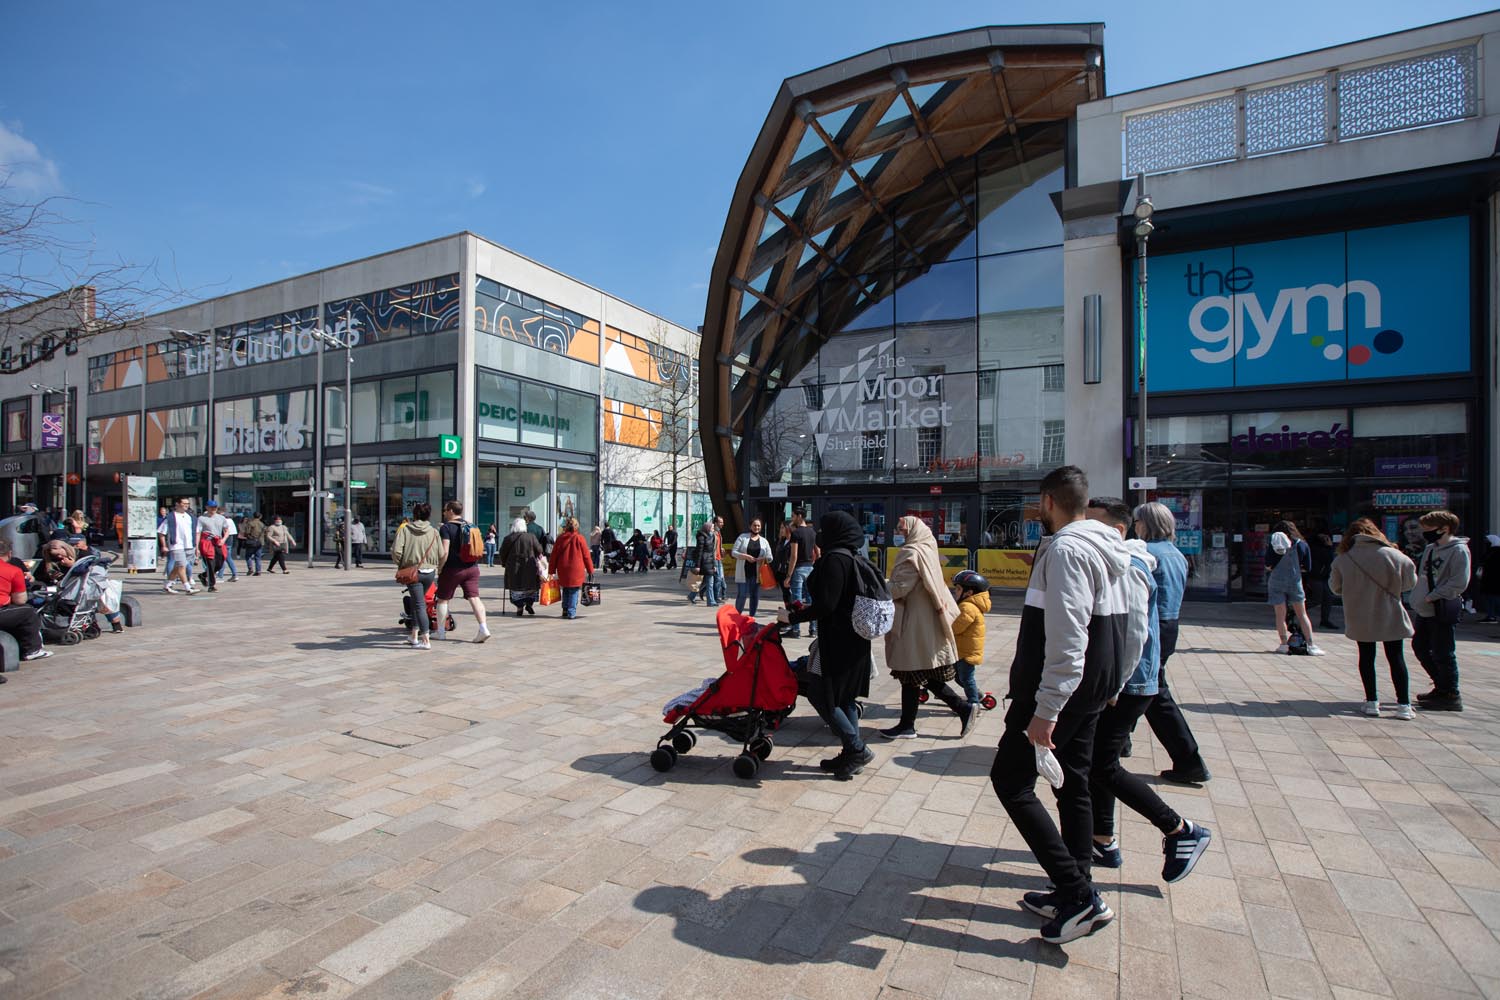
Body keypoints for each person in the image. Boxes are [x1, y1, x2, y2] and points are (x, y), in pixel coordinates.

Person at [990, 465, 1134, 945]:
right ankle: (1075, 885)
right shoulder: (1109, 546)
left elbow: (1068, 638)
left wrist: (1046, 708)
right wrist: (1115, 681)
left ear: (1049, 501)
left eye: (1039, 503)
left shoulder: (1068, 550)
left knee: (1011, 782)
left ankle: (1078, 895)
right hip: (1091, 687)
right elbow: (1133, 624)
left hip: (1059, 691)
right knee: (1073, 782)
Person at [1083, 498, 1214, 883]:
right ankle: (1103, 840)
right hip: (1137, 669)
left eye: (1095, 523)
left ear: (1122, 529)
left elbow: (1135, 630)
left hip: (1129, 678)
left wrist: (1116, 683)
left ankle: (1179, 829)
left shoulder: (1132, 564)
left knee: (1101, 764)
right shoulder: (1160, 556)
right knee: (1100, 761)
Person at [777, 511, 873, 779]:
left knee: (822, 694)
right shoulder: (852, 556)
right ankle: (851, 755)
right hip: (854, 640)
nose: (819, 533)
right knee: (846, 698)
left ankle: (856, 749)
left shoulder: (835, 560)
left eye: (825, 528)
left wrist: (792, 618)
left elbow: (827, 605)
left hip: (838, 641)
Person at [1128, 502, 1211, 784]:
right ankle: (1120, 741)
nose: (1135, 526)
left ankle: (1189, 758)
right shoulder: (1176, 554)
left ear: (1146, 523)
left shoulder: (1147, 553)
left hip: (1152, 625)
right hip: (1170, 624)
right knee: (1140, 687)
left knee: (1152, 692)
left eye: (1137, 521)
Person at [881, 516, 974, 740]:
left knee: (912, 672)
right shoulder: (928, 548)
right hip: (926, 620)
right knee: (920, 673)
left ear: (913, 530)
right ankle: (911, 724)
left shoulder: (911, 553)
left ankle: (957, 709)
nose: (900, 534)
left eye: (903, 530)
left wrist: (878, 584)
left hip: (913, 623)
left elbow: (899, 588)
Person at [1330, 518, 1417, 719]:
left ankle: (1371, 702)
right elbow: (1410, 583)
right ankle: (1404, 705)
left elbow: (1335, 587)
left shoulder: (1344, 559)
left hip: (1360, 612)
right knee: (1396, 657)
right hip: (1390, 611)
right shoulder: (1395, 555)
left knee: (1366, 657)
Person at [1409, 509, 1470, 712]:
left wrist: (1432, 596)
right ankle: (1441, 685)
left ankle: (1450, 693)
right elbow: (1423, 575)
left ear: (1444, 529)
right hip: (1424, 608)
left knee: (1443, 651)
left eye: (1429, 528)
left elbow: (1459, 582)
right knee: (1420, 646)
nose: (1425, 532)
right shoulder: (1430, 548)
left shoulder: (1458, 550)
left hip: (1441, 607)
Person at [35, 539, 126, 633]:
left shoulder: (82, 555)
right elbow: (39, 576)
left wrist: (72, 565)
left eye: (60, 554)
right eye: (55, 556)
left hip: (84, 586)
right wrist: (51, 575)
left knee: (103, 595)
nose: (59, 557)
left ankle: (115, 622)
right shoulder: (49, 561)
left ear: (65, 549)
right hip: (65, 588)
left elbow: (89, 572)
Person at [1266, 520, 1325, 656]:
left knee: (1280, 615)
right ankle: (1311, 644)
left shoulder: (1274, 544)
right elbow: (1308, 567)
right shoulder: (1301, 545)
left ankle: (1283, 644)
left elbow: (1268, 564)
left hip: (1276, 581)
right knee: (1302, 614)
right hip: (1295, 581)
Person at [434, 500, 490, 643]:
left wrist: (440, 567)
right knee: (474, 598)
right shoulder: (471, 525)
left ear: (451, 511)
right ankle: (483, 628)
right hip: (472, 568)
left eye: (445, 510)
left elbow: (445, 551)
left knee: (443, 599)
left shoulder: (446, 528)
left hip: (452, 569)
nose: (444, 512)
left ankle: (441, 632)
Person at [391, 502, 442, 649]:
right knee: (416, 602)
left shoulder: (405, 530)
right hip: (430, 572)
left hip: (413, 573)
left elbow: (396, 551)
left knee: (419, 605)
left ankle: (425, 640)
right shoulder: (434, 532)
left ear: (414, 514)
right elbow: (441, 553)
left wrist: (402, 564)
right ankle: (413, 636)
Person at [0, 537, 48, 666]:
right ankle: (32, 650)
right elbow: (20, 600)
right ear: (9, 553)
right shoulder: (13, 570)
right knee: (27, 612)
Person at [949, 569, 989, 721]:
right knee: (960, 678)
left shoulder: (968, 607)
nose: (955, 592)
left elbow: (956, 627)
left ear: (969, 592)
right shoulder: (968, 605)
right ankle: (978, 695)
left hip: (966, 653)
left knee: (966, 678)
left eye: (958, 589)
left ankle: (974, 705)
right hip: (963, 649)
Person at [782, 509, 818, 637]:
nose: (792, 519)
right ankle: (813, 629)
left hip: (798, 569)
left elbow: (794, 556)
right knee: (810, 599)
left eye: (793, 516)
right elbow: (818, 552)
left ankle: (796, 629)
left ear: (800, 516)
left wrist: (788, 576)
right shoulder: (812, 532)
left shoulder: (796, 534)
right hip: (810, 568)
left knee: (796, 599)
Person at [551, 517, 595, 619]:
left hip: (563, 568)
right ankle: (571, 612)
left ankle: (565, 609)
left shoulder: (560, 538)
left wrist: (551, 570)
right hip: (576, 569)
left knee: (566, 588)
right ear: (576, 527)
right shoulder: (580, 538)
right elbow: (586, 556)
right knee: (574, 590)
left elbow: (554, 555)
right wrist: (590, 570)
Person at [501, 518, 544, 616]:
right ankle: (529, 603)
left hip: (513, 566)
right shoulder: (531, 537)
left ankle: (519, 607)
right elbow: (539, 550)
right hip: (529, 566)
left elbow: (502, 552)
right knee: (530, 586)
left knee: (516, 587)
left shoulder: (508, 538)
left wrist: (504, 563)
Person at [730, 518, 772, 617]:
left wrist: (763, 558)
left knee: (754, 596)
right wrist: (745, 556)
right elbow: (733, 552)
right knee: (742, 595)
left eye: (758, 526)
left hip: (756, 574)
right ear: (750, 526)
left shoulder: (764, 541)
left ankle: (751, 617)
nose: (756, 527)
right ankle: (737, 617)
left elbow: (770, 557)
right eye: (754, 525)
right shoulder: (742, 537)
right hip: (743, 572)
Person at [157, 497, 197, 595]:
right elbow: (161, 532)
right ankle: (188, 588)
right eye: (184, 503)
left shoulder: (190, 517)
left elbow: (196, 531)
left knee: (178, 566)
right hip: (176, 545)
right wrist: (164, 546)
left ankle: (167, 585)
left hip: (189, 545)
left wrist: (196, 546)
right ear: (177, 504)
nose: (186, 505)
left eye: (188, 503)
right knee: (182, 565)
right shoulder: (171, 517)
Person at [196, 501, 228, 593]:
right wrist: (197, 547)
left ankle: (203, 575)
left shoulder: (221, 518)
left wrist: (224, 539)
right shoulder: (201, 518)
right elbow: (198, 533)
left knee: (220, 563)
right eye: (211, 507)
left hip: (218, 542)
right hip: (207, 542)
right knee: (210, 563)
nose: (213, 509)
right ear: (207, 507)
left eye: (215, 507)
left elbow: (226, 530)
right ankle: (212, 585)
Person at [1307, 530, 1336, 629]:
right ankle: (1294, 610)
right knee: (1317, 599)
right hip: (1316, 577)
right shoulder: (1319, 549)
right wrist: (1330, 547)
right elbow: (1329, 559)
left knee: (1327, 599)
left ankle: (1325, 620)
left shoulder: (1316, 548)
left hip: (1322, 577)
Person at [219, 512, 240, 583]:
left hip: (224, 541)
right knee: (227, 558)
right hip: (230, 541)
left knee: (223, 558)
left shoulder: (224, 521)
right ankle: (233, 575)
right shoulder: (231, 521)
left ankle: (221, 576)